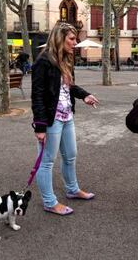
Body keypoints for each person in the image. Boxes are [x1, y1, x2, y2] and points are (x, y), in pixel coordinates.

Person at [31, 22, 99, 216]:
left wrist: (84, 95)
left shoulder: (67, 59)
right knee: (46, 162)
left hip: (67, 115)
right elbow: (37, 96)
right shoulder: (43, 62)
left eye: (75, 38)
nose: (75, 42)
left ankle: (72, 189)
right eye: (71, 39)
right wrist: (40, 126)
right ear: (60, 38)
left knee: (70, 155)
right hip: (51, 120)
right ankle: (49, 202)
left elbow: (68, 87)